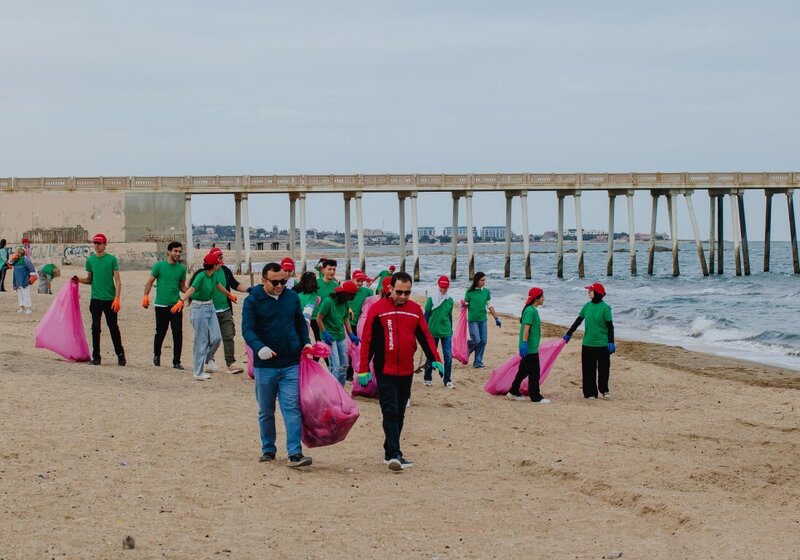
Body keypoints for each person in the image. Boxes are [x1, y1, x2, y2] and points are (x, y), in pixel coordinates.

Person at [357, 272, 444, 472]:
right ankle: (394, 454)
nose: (403, 296)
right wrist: (362, 369)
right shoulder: (378, 309)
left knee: (401, 411)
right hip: (384, 369)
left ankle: (389, 449)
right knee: (390, 411)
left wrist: (435, 359)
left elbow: (425, 336)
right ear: (390, 289)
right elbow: (367, 341)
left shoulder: (414, 310)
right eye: (399, 292)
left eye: (407, 293)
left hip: (406, 370)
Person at [242, 262, 313, 468]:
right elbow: (247, 330)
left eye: (284, 280)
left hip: (291, 363)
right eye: (275, 282)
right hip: (265, 366)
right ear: (263, 279)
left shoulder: (292, 297)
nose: (280, 285)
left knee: (292, 407)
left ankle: (295, 453)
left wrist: (306, 342)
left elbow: (300, 323)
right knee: (266, 410)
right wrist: (259, 348)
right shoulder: (252, 301)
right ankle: (268, 449)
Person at [171, 251, 235, 381]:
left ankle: (207, 359)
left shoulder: (214, 275)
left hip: (210, 306)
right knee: (202, 341)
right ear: (214, 265)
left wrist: (229, 295)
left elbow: (218, 286)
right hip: (198, 308)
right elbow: (191, 289)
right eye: (218, 263)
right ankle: (198, 372)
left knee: (217, 337)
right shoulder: (201, 276)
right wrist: (181, 301)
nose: (220, 265)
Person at [189, 248, 251, 374]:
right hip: (209, 310)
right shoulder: (203, 273)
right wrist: (185, 301)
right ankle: (208, 360)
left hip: (226, 309)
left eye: (222, 257)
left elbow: (235, 285)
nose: (222, 260)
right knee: (210, 338)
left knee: (228, 336)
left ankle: (231, 363)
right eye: (219, 258)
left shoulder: (226, 271)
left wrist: (250, 289)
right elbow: (193, 288)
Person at [73, 233, 125, 366]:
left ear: (105, 244)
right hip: (95, 299)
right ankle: (96, 357)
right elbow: (90, 279)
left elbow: (118, 281)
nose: (96, 245)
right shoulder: (90, 260)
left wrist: (117, 298)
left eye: (99, 243)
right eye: (95, 243)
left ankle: (120, 354)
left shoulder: (112, 260)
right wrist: (78, 279)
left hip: (110, 299)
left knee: (113, 327)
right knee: (95, 328)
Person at [563, 282, 616, 400]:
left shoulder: (605, 308)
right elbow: (578, 321)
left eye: (590, 290)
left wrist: (611, 341)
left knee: (603, 369)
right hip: (588, 344)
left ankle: (604, 390)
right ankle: (590, 393)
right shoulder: (587, 306)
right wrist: (569, 334)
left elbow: (610, 326)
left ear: (596, 293)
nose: (588, 292)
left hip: (602, 344)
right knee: (588, 370)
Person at [142, 241, 187, 370]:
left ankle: (176, 361)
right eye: (175, 251)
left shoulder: (182, 269)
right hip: (161, 305)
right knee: (160, 332)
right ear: (169, 252)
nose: (178, 254)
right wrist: (145, 296)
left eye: (179, 251)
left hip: (176, 305)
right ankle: (157, 356)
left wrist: (192, 293)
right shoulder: (159, 266)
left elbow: (182, 287)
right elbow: (150, 282)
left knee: (178, 333)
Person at [508, 287, 550, 404]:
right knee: (535, 372)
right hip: (529, 347)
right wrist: (525, 344)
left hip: (530, 346)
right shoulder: (531, 311)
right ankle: (535, 396)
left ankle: (513, 391)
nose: (543, 298)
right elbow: (526, 327)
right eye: (542, 296)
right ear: (536, 299)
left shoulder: (531, 310)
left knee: (523, 370)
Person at [316, 280, 360, 385]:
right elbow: (319, 319)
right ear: (344, 294)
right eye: (351, 296)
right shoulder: (328, 302)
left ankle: (340, 389)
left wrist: (351, 334)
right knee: (335, 366)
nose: (351, 298)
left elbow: (346, 319)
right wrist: (325, 332)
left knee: (344, 365)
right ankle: (332, 390)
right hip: (329, 337)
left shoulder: (345, 303)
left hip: (340, 336)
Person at [463, 271, 501, 369]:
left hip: (483, 319)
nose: (484, 282)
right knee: (476, 340)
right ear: (476, 281)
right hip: (473, 320)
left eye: (484, 280)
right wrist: (464, 306)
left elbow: (490, 306)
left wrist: (496, 318)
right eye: (482, 280)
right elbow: (465, 306)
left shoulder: (486, 292)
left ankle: (477, 362)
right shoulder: (469, 292)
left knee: (483, 341)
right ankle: (465, 351)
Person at [423, 275, 454, 388]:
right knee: (430, 355)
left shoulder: (450, 300)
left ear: (448, 287)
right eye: (441, 287)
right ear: (438, 286)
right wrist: (423, 332)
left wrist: (451, 329)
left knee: (448, 357)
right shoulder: (431, 299)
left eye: (445, 287)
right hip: (432, 331)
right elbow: (425, 316)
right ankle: (427, 378)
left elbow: (449, 317)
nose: (443, 289)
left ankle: (447, 380)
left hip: (446, 332)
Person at [310, 259, 339, 345]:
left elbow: (338, 304)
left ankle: (317, 358)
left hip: (330, 319)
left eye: (334, 269)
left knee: (329, 344)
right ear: (323, 270)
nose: (332, 272)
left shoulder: (336, 286)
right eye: (329, 269)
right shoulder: (315, 284)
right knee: (320, 342)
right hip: (316, 318)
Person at [9, 248, 36, 313]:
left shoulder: (26, 260)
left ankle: (29, 308)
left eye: (16, 253)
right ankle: (22, 307)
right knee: (20, 295)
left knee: (26, 294)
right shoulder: (16, 260)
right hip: (18, 280)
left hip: (25, 280)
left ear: (19, 253)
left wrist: (32, 278)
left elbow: (32, 268)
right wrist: (12, 258)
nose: (15, 254)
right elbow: (9, 263)